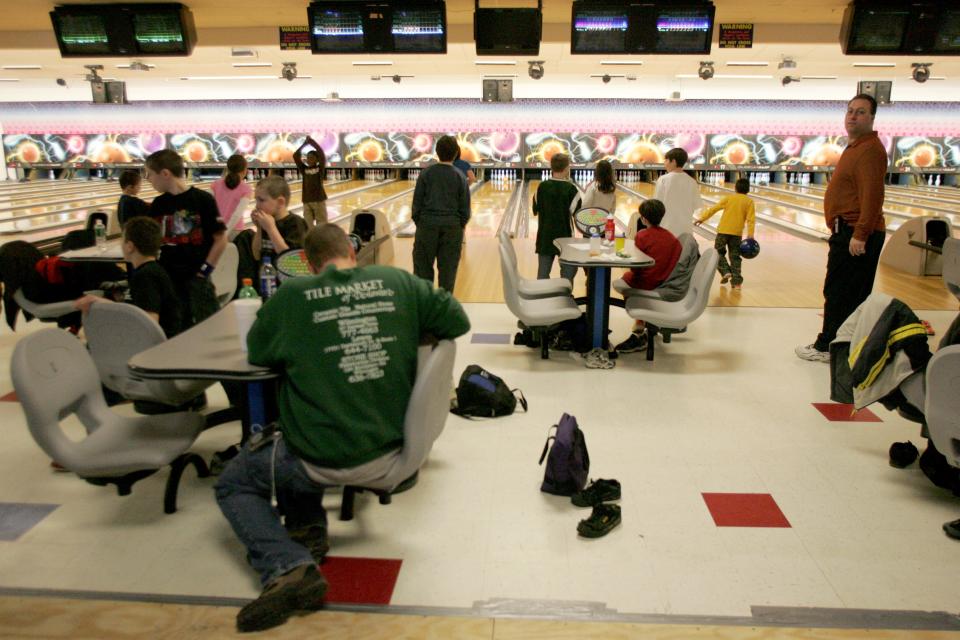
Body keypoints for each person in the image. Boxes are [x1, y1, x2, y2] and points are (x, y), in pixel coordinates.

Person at [215, 224, 470, 633]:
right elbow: (456, 319)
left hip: (318, 458)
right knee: (302, 423)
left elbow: (259, 352)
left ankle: (288, 565)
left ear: (309, 264)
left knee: (234, 482)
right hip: (396, 449)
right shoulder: (398, 281)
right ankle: (308, 528)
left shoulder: (292, 297)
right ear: (353, 251)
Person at [796, 93, 887, 362]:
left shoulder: (870, 150)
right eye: (850, 110)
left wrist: (860, 234)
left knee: (841, 293)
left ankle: (829, 347)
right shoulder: (856, 147)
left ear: (872, 117)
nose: (853, 116)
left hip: (854, 234)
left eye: (860, 112)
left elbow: (872, 195)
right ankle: (842, 347)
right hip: (846, 231)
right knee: (840, 291)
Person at [144, 148, 228, 330]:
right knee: (176, 330)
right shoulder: (158, 205)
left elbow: (221, 239)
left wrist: (204, 271)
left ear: (165, 174)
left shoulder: (203, 200)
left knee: (209, 330)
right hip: (168, 280)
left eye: (149, 174)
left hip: (197, 279)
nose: (147, 179)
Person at [74, 216, 182, 338]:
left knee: (85, 335)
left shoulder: (146, 276)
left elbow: (149, 324)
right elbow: (137, 312)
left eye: (122, 240)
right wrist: (101, 302)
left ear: (130, 246)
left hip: (156, 348)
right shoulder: (151, 270)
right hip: (159, 343)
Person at [615, 199, 683, 353]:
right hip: (666, 283)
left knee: (621, 281)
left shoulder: (642, 235)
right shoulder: (672, 238)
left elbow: (637, 267)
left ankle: (640, 317)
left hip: (647, 283)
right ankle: (644, 319)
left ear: (643, 218)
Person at [411, 134, 471, 293]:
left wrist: (423, 223)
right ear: (456, 153)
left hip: (426, 226)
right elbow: (465, 210)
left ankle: (425, 310)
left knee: (422, 273)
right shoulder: (460, 176)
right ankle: (445, 311)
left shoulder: (425, 174)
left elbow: (416, 206)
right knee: (448, 274)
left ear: (437, 152)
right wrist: (458, 226)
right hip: (452, 229)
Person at [694, 177, 756, 290]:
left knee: (718, 253)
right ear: (748, 190)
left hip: (723, 231)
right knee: (735, 257)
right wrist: (751, 234)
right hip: (736, 234)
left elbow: (713, 209)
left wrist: (702, 219)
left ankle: (725, 271)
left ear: (735, 188)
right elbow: (751, 219)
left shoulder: (729, 198)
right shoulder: (749, 201)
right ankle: (737, 283)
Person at [533, 153, 580, 282]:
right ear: (567, 168)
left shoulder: (541, 187)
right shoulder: (571, 189)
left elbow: (535, 210)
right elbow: (578, 216)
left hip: (545, 237)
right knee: (568, 273)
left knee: (542, 274)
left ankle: (543, 298)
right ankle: (564, 295)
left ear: (551, 167)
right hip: (565, 237)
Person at [250, 175, 308, 265]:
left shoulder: (296, 223)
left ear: (280, 202)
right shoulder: (266, 222)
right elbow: (256, 255)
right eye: (256, 200)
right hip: (267, 277)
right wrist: (259, 228)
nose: (257, 205)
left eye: (261, 200)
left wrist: (271, 229)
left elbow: (294, 263)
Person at [654, 148, 702, 237]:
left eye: (666, 160)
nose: (664, 163)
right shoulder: (692, 181)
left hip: (666, 228)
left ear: (674, 162)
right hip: (686, 230)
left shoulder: (663, 180)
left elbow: (656, 205)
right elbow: (697, 206)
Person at [211, 154, 252, 239]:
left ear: (228, 168)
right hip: (235, 232)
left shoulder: (215, 184)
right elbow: (237, 214)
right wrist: (226, 233)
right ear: (245, 170)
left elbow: (209, 208)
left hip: (217, 230)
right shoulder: (246, 189)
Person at [293, 136, 328, 227]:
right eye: (308, 158)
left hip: (319, 200)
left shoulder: (319, 168)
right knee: (308, 226)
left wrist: (312, 142)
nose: (309, 159)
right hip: (306, 201)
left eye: (311, 158)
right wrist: (305, 144)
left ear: (317, 160)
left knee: (322, 225)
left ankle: (321, 241)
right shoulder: (303, 169)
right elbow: (295, 155)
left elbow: (321, 153)